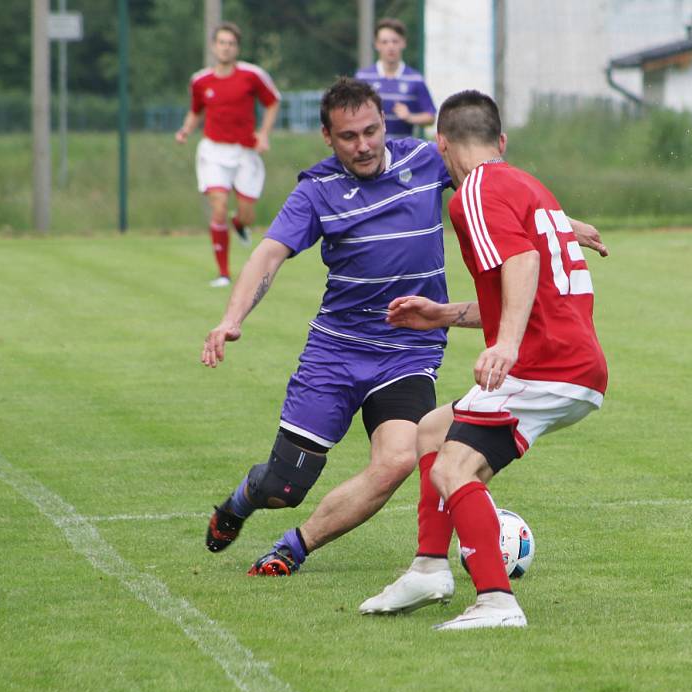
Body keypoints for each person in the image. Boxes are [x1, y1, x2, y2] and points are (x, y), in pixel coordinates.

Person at [201, 78, 607, 578]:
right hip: (336, 351)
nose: (364, 144)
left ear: (384, 124)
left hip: (408, 351)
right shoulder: (317, 192)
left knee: (399, 458)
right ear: (328, 137)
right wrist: (231, 319)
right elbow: (269, 252)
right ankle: (242, 502)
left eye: (372, 130)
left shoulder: (424, 160)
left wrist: (563, 222)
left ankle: (293, 548)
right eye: (349, 136)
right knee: (284, 487)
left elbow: (495, 193)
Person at [359, 90, 608, 630]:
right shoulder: (528, 187)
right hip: (570, 364)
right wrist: (441, 314)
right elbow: (518, 291)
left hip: (544, 366)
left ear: (441, 143)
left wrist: (506, 346)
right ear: (502, 141)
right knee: (431, 430)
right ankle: (428, 567)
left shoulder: (472, 191)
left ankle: (496, 600)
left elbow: (521, 261)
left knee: (454, 468)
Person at [175, 22, 281, 287]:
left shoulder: (251, 75)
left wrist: (263, 134)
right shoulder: (200, 80)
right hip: (213, 151)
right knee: (219, 207)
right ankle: (223, 273)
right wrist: (186, 130)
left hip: (245, 152)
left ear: (237, 48)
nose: (226, 47)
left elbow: (273, 101)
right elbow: (196, 110)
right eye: (221, 42)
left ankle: (240, 223)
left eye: (231, 43)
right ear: (213, 46)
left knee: (246, 215)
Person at [355, 17, 436, 140]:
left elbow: (430, 117)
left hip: (403, 152)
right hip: (370, 151)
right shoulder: (363, 78)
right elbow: (351, 113)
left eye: (395, 41)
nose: (390, 46)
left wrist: (410, 117)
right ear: (377, 45)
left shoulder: (415, 79)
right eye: (385, 42)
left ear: (403, 43)